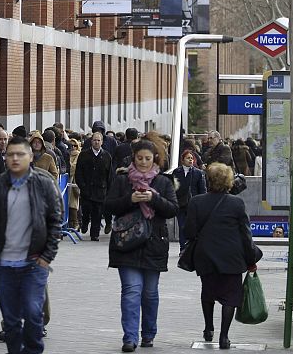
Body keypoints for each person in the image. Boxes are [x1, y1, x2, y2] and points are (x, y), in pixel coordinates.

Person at [0, 136, 63, 354]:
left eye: (20, 154)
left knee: (33, 313)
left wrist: (47, 256)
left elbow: (55, 220)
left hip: (34, 262)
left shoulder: (43, 184)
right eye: (10, 154)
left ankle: (33, 350)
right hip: (5, 264)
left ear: (30, 157)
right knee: (11, 321)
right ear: (5, 158)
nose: (15, 158)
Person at [103, 139, 179, 352]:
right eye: (139, 158)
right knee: (131, 290)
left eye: (148, 158)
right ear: (133, 158)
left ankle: (148, 334)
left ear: (154, 158)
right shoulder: (122, 180)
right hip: (126, 244)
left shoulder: (163, 182)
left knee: (150, 293)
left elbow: (173, 209)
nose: (143, 162)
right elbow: (108, 206)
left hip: (154, 244)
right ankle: (129, 338)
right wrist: (131, 199)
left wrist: (154, 198)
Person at [185, 162, 260, 349]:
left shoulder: (196, 202)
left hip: (206, 256)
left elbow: (189, 231)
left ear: (208, 180)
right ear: (229, 181)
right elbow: (245, 234)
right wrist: (251, 258)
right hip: (232, 257)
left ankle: (208, 327)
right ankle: (224, 336)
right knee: (230, 296)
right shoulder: (236, 203)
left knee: (208, 292)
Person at [74, 130, 112, 240]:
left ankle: (95, 234)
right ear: (91, 141)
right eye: (94, 140)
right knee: (86, 209)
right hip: (87, 189)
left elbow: (109, 174)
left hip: (100, 190)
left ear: (102, 142)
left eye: (98, 140)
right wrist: (82, 185)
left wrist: (109, 189)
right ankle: (85, 223)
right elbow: (79, 172)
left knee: (98, 212)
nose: (96, 142)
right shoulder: (84, 155)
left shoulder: (106, 156)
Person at [172, 149, 206, 250]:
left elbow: (202, 190)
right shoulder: (176, 172)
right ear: (182, 160)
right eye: (188, 158)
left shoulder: (198, 173)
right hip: (181, 204)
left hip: (193, 204)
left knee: (192, 227)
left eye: (192, 158)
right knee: (182, 226)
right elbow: (173, 188)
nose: (190, 160)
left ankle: (192, 247)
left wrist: (202, 204)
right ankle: (183, 247)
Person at [68, 138, 81, 230]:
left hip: (75, 181)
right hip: (67, 180)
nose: (73, 147)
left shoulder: (79, 155)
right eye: (71, 145)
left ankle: (76, 222)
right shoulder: (67, 154)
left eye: (75, 145)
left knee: (74, 202)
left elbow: (73, 167)